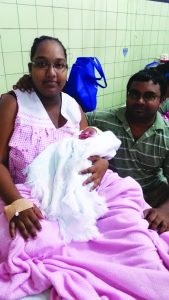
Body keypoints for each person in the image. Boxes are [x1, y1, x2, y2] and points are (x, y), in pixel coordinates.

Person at [2, 36, 169, 299]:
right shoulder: (13, 103)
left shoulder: (73, 105)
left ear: (67, 70)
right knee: (36, 240)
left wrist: (103, 162)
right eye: (42, 64)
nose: (51, 73)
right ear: (30, 67)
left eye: (59, 65)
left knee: (132, 231)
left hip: (89, 192)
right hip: (30, 198)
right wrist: (15, 203)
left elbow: (91, 145)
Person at [87, 68, 169, 232]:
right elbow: (71, 118)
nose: (139, 101)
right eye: (134, 94)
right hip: (115, 198)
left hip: (153, 201)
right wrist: (31, 88)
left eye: (149, 96)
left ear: (162, 101)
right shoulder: (102, 120)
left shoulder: (166, 137)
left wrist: (164, 211)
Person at [24, 126, 121, 243]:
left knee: (129, 192)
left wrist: (104, 162)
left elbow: (102, 149)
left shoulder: (75, 111)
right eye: (84, 132)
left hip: (92, 176)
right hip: (34, 186)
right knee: (34, 236)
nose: (85, 133)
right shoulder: (13, 109)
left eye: (89, 132)